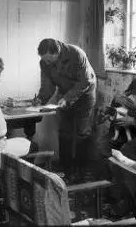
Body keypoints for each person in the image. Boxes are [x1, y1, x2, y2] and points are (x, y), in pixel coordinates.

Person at [33, 38, 97, 182]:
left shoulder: (76, 54)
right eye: (45, 61)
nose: (47, 63)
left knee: (83, 132)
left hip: (85, 94)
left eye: (50, 60)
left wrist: (68, 98)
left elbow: (85, 81)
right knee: (64, 132)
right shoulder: (44, 62)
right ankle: (66, 169)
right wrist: (41, 99)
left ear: (58, 53)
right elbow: (47, 84)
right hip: (65, 94)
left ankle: (82, 171)